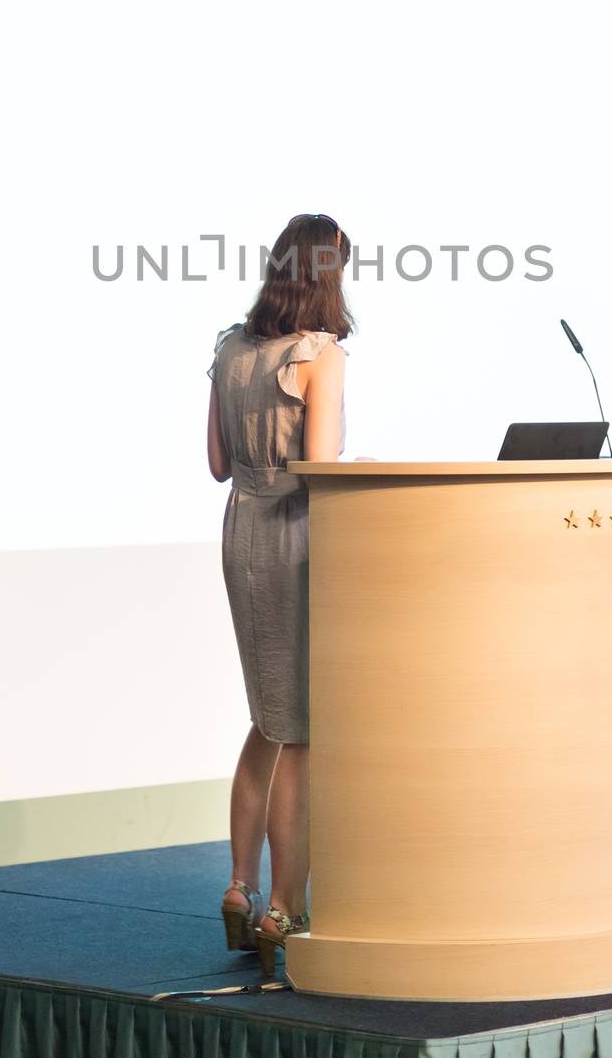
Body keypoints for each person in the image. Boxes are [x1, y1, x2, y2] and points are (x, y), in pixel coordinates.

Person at [206, 213, 353, 976]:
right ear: (328, 275)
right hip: (296, 539)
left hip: (240, 533)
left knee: (266, 718)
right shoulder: (318, 355)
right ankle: (284, 907)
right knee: (299, 729)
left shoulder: (230, 349)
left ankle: (238, 887)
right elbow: (320, 466)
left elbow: (216, 462)